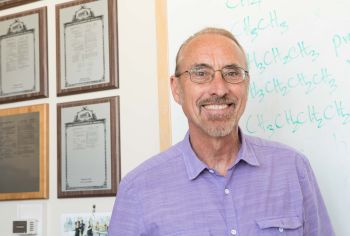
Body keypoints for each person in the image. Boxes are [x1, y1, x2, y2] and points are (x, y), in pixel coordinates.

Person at [108, 27, 334, 235]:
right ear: (176, 89)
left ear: (246, 84)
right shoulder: (138, 189)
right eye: (201, 73)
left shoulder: (293, 169)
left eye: (232, 73)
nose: (219, 88)